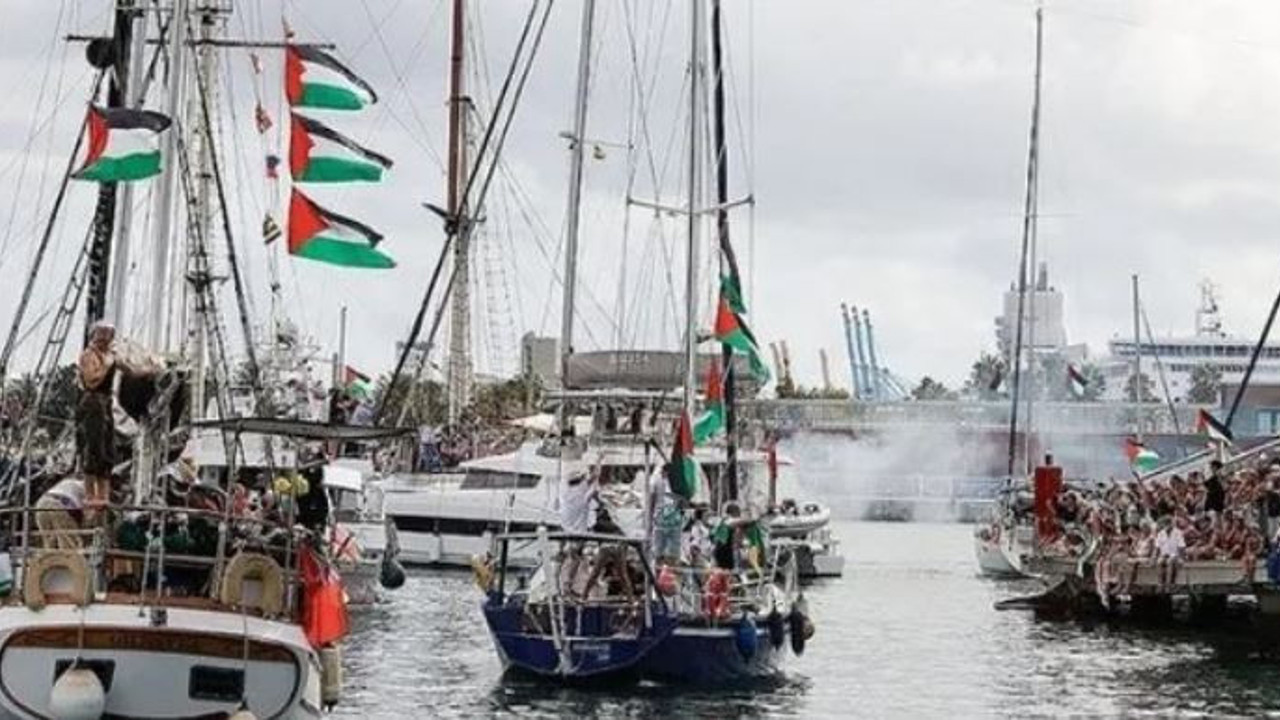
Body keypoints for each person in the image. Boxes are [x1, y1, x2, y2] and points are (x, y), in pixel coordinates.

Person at [77, 322, 118, 522]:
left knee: (107, 450)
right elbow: (91, 380)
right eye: (102, 336)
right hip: (93, 401)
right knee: (93, 447)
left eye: (108, 336)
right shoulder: (89, 355)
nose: (106, 340)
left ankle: (103, 495)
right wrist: (108, 365)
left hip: (106, 401)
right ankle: (90, 496)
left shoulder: (110, 354)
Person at [35, 477, 85, 550]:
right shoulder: (86, 488)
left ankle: (51, 560)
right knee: (70, 544)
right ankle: (69, 560)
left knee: (50, 543)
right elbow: (86, 514)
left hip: (41, 504)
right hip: (59, 504)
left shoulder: (68, 482)